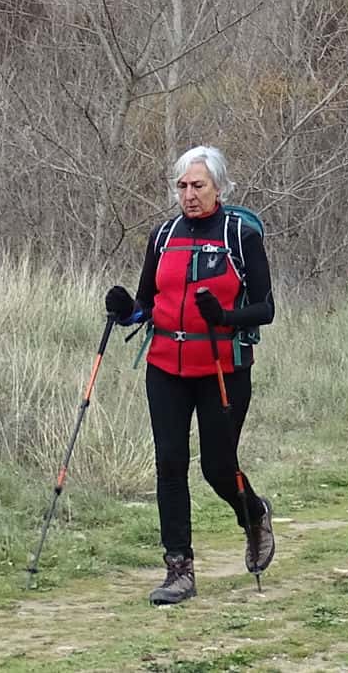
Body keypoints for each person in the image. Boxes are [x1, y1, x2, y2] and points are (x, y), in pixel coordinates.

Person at [104, 146, 275, 606]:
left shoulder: (240, 235)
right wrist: (124, 309)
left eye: (198, 185)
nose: (189, 194)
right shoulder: (163, 236)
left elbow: (266, 308)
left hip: (222, 367)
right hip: (165, 365)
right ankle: (178, 569)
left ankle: (253, 514)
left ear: (219, 187)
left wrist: (224, 316)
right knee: (170, 462)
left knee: (218, 466)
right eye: (182, 186)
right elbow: (145, 304)